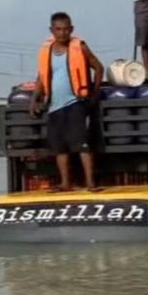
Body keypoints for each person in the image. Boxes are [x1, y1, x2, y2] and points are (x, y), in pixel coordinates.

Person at [29, 12, 104, 191]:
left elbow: (99, 68)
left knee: (82, 144)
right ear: (52, 30)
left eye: (66, 29)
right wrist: (34, 99)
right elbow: (42, 76)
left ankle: (90, 183)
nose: (62, 33)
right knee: (59, 147)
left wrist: (94, 93)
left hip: (76, 103)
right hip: (54, 106)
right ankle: (65, 183)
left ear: (71, 29)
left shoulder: (80, 47)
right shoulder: (46, 50)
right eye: (58, 29)